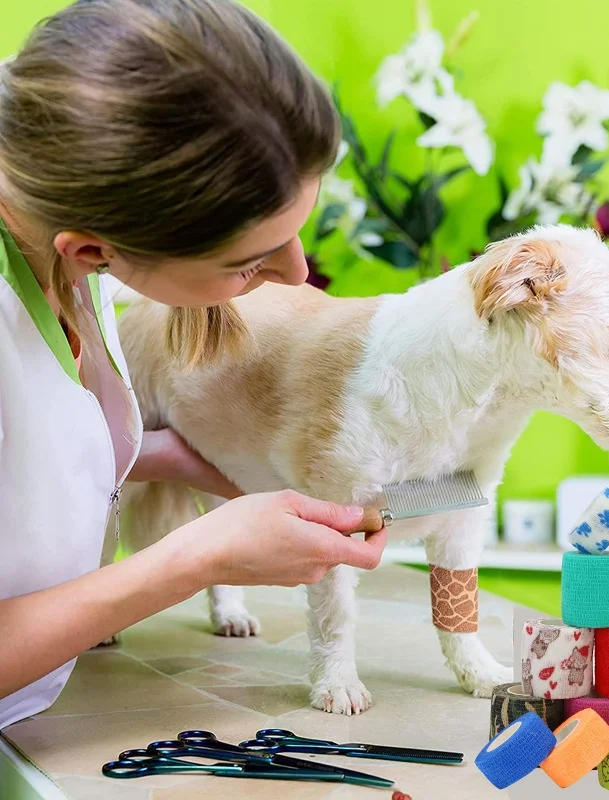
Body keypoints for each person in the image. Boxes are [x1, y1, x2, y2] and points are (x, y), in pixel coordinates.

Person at [0, 0, 386, 728]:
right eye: (249, 264)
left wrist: (167, 458)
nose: (299, 275)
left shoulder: (62, 229)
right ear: (91, 249)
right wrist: (196, 559)